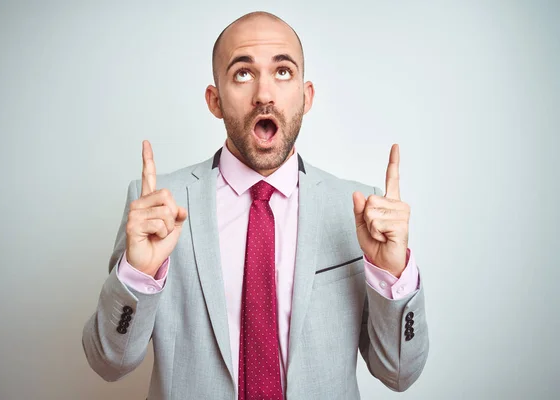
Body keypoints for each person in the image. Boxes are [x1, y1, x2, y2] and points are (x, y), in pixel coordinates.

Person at [82, 11, 429, 400]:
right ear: (215, 100)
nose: (264, 94)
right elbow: (108, 363)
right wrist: (137, 275)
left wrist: (394, 274)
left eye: (283, 72)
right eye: (243, 74)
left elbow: (399, 373)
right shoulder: (157, 208)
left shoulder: (358, 214)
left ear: (306, 95)